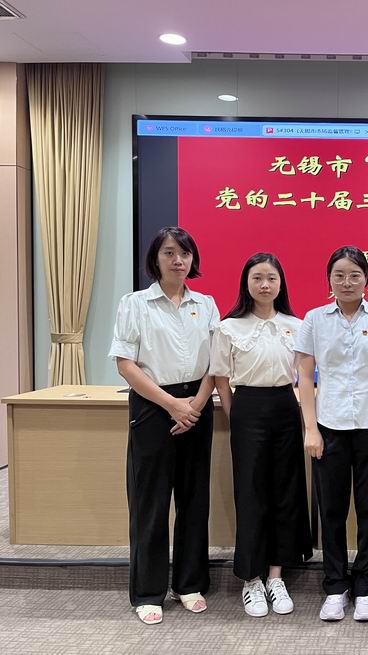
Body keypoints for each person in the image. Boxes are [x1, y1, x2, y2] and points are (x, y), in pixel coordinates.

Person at [109, 226, 219, 625]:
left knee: (194, 499)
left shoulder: (206, 304)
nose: (178, 260)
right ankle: (148, 591)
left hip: (197, 405)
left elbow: (216, 362)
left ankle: (189, 584)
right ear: (155, 258)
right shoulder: (135, 303)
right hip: (154, 406)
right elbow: (125, 364)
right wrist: (172, 405)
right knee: (150, 501)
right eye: (170, 253)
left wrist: (196, 405)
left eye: (185, 253)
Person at [294, 246, 368, 623]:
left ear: (367, 279)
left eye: (354, 275)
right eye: (339, 275)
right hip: (329, 427)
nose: (346, 282)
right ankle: (336, 586)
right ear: (329, 280)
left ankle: (366, 587)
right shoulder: (314, 319)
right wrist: (311, 429)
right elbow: (304, 377)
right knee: (332, 511)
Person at [210, 253, 313, 618]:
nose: (265, 284)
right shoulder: (229, 327)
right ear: (246, 283)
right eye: (257, 278)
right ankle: (251, 579)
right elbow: (221, 378)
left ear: (281, 283)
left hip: (286, 406)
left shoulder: (296, 325)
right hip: (247, 409)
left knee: (285, 490)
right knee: (251, 492)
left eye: (271, 278)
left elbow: (305, 375)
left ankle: (275, 575)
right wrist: (235, 415)